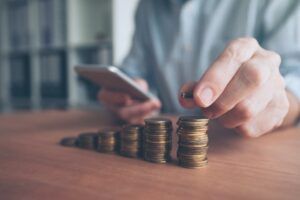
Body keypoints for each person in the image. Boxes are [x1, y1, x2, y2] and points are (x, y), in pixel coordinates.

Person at [98, 0, 300, 137]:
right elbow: (134, 71)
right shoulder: (148, 7)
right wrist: (124, 96)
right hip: (163, 142)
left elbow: (295, 82)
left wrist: (277, 99)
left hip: (244, 150)